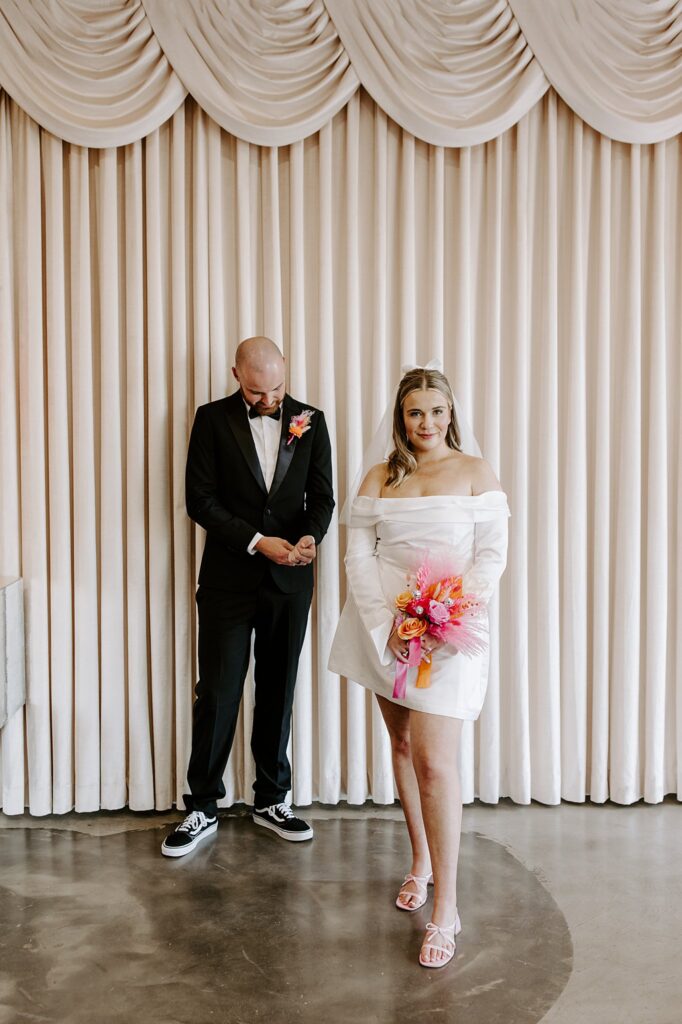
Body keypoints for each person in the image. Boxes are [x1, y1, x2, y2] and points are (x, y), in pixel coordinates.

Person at [329, 366, 509, 968]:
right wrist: (390, 629)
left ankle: (447, 907)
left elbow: (491, 554)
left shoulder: (475, 473)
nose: (426, 423)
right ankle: (420, 862)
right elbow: (358, 557)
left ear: (451, 413)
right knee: (403, 747)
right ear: (400, 418)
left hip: (450, 633)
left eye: (436, 411)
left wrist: (447, 612)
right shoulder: (380, 476)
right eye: (414, 413)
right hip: (385, 631)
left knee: (437, 761)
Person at [162, 337, 334, 857]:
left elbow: (321, 498)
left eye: (277, 388)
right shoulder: (211, 419)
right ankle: (202, 806)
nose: (270, 400)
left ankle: (271, 799)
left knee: (279, 688)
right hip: (228, 582)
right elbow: (200, 500)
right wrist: (259, 543)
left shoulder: (311, 420)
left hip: (291, 582)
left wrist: (308, 540)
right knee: (217, 691)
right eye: (258, 391)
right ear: (236, 374)